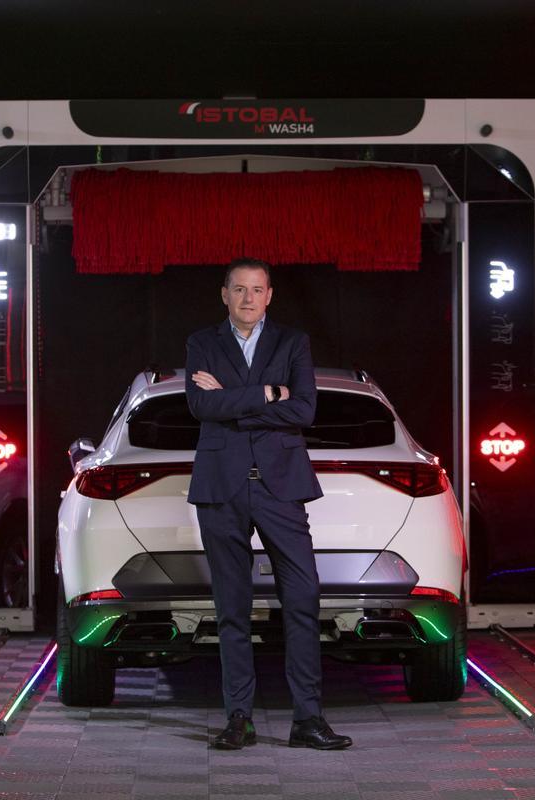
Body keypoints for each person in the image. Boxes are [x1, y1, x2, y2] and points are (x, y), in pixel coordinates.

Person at [184, 257, 352, 751]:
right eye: (239, 290)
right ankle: (239, 718)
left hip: (281, 487)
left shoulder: (292, 342)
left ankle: (308, 719)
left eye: (257, 290)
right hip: (222, 489)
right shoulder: (201, 343)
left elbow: (304, 409)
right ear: (224, 294)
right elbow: (199, 407)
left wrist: (235, 399)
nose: (248, 298)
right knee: (231, 608)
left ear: (270, 295)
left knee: (302, 600)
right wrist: (266, 393)